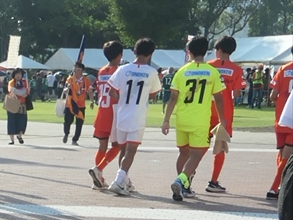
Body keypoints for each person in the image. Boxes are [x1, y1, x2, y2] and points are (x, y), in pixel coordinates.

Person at [162, 35, 224, 202]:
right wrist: (222, 120)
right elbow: (219, 99)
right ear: (206, 51)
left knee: (183, 153)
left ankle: (185, 187)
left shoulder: (181, 71)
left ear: (189, 51)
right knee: (196, 155)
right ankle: (180, 181)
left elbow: (173, 97)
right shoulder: (212, 72)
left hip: (182, 118)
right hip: (200, 120)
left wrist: (166, 120)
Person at [105, 39, 160, 195]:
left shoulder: (122, 69)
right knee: (131, 151)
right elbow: (153, 93)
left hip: (122, 113)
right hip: (138, 115)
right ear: (150, 54)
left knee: (123, 149)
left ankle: (125, 180)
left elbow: (111, 90)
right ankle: (118, 180)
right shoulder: (151, 72)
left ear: (134, 51)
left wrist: (122, 98)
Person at [204, 35, 245, 193]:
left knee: (199, 145)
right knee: (220, 147)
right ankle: (213, 181)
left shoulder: (208, 66)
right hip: (225, 113)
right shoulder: (236, 69)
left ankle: (188, 178)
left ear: (219, 49)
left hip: (206, 110)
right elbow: (237, 92)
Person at [89, 40, 125, 188]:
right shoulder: (119, 70)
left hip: (101, 110)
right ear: (119, 55)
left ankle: (99, 179)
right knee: (117, 146)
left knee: (102, 146)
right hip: (113, 111)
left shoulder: (102, 71)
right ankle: (99, 169)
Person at [270, 57, 293, 198]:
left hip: (281, 117)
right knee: (287, 156)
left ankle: (279, 185)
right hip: (291, 118)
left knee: (282, 152)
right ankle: (275, 187)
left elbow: (273, 95)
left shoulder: (283, 69)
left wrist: (281, 105)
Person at [62, 63, 92, 144]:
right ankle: (66, 133)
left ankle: (75, 139)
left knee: (80, 122)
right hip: (70, 104)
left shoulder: (85, 80)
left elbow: (89, 90)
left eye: (77, 69)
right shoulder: (70, 79)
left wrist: (92, 101)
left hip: (81, 104)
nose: (75, 70)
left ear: (81, 70)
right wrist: (67, 89)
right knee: (67, 122)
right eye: (74, 68)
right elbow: (65, 90)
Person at [3, 68, 29, 143]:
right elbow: (12, 90)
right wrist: (21, 92)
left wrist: (23, 92)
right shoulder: (11, 82)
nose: (18, 75)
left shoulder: (25, 82)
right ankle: (12, 139)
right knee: (11, 121)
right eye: (17, 74)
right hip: (12, 104)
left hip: (22, 105)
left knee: (22, 121)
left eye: (20, 74)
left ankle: (19, 136)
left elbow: (27, 91)